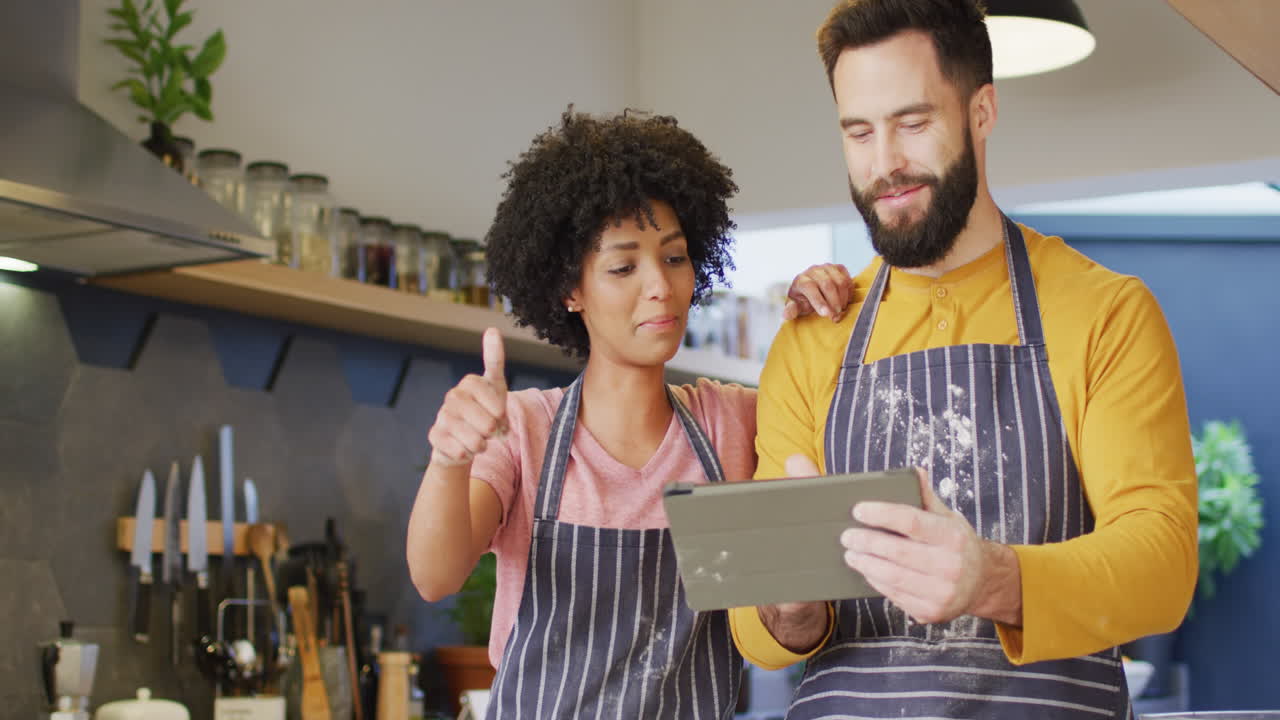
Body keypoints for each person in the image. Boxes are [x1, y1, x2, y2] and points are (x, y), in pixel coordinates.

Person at [730, 1, 1199, 718]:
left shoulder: (1105, 312)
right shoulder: (814, 332)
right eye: (859, 132)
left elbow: (1161, 567)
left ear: (982, 111)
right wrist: (787, 608)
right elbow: (759, 636)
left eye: (913, 124)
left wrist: (994, 579)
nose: (884, 164)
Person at [406, 108, 853, 718]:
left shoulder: (732, 424)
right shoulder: (524, 429)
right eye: (623, 266)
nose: (660, 287)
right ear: (570, 290)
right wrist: (449, 457)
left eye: (673, 257)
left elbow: (839, 410)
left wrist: (824, 317)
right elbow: (436, 576)